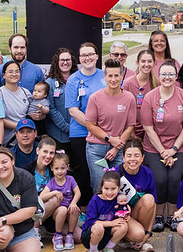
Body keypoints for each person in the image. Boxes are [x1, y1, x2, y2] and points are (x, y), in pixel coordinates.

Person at [140, 61, 183, 232]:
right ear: (158, 76)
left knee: (175, 179)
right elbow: (148, 128)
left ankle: (173, 215)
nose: (167, 78)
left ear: (176, 76)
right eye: (164, 74)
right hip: (155, 147)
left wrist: (174, 150)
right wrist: (163, 152)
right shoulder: (150, 97)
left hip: (178, 145)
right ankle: (158, 216)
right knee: (161, 180)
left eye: (171, 74)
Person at [83, 57, 136, 190]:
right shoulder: (95, 98)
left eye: (116, 75)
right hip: (96, 148)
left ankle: (119, 211)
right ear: (105, 77)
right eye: (110, 76)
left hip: (118, 149)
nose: (113, 79)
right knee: (100, 186)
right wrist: (110, 139)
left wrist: (116, 147)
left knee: (120, 186)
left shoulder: (129, 98)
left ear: (122, 76)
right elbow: (90, 125)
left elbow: (130, 126)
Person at [65, 42, 106, 203]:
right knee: (83, 172)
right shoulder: (73, 80)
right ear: (79, 59)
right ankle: (82, 209)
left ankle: (102, 206)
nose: (87, 58)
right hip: (81, 133)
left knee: (100, 173)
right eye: (83, 55)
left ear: (96, 56)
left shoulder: (105, 76)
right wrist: (93, 127)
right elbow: (73, 110)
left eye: (90, 54)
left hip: (104, 134)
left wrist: (102, 130)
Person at [83, 170, 146, 252]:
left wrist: (127, 214)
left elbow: (124, 208)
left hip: (106, 234)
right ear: (101, 187)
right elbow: (92, 221)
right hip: (91, 235)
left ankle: (108, 249)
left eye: (113, 188)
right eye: (106, 188)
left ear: (118, 188)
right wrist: (111, 223)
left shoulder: (119, 198)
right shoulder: (96, 200)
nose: (109, 192)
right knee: (99, 227)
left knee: (123, 225)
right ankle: (92, 251)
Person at [116, 140, 156, 250]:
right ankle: (126, 237)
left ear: (142, 158)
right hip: (120, 215)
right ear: (123, 158)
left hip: (135, 214)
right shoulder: (116, 173)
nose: (133, 159)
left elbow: (153, 205)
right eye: (129, 155)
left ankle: (142, 239)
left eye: (137, 155)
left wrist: (148, 232)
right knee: (138, 234)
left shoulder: (147, 173)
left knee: (149, 198)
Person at [39, 151, 81, 251]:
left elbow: (78, 192)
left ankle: (70, 235)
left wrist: (73, 203)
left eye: (62, 168)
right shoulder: (52, 182)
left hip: (69, 210)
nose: (60, 171)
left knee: (74, 210)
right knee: (62, 210)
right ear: (52, 168)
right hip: (58, 212)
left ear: (67, 167)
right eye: (56, 168)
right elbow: (41, 196)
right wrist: (54, 192)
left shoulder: (70, 179)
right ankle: (57, 235)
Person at [44, 48, 76, 154]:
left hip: (78, 133)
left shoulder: (79, 80)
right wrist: (67, 128)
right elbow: (51, 109)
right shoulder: (49, 83)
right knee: (60, 167)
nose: (65, 63)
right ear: (57, 62)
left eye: (68, 60)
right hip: (57, 135)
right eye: (62, 60)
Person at [0, 61, 32, 145]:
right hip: (6, 141)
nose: (14, 74)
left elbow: (31, 112)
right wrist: (19, 126)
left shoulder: (26, 93)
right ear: (3, 75)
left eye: (17, 71)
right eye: (10, 72)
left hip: (24, 140)